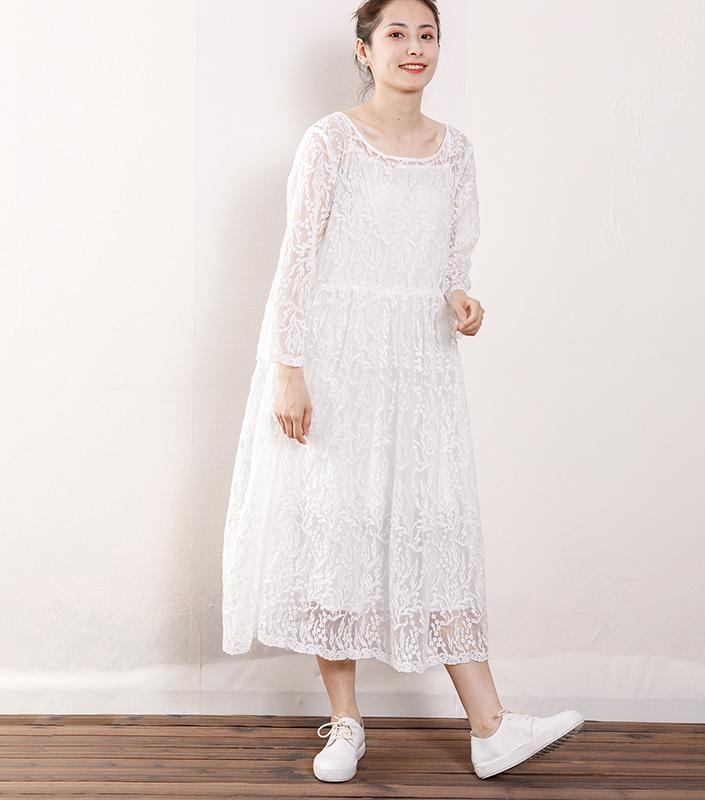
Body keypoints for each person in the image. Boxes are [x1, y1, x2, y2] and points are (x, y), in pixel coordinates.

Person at [221, 0, 584, 783]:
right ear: (365, 50)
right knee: (336, 533)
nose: (414, 48)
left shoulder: (457, 153)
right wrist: (288, 368)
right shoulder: (330, 142)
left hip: (419, 370)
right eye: (397, 34)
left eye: (427, 35)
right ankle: (347, 723)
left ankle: (490, 727)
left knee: (436, 529)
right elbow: (298, 259)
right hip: (336, 363)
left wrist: (461, 301)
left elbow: (453, 262)